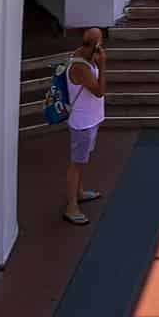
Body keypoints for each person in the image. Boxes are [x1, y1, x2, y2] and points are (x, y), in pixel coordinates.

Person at [61, 26, 107, 226]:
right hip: (82, 123)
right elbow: (99, 91)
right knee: (76, 164)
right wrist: (103, 66)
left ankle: (79, 192)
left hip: (91, 119)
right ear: (96, 44)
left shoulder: (86, 59)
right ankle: (71, 206)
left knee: (82, 161)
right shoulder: (81, 66)